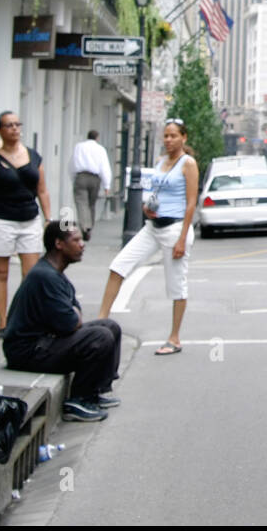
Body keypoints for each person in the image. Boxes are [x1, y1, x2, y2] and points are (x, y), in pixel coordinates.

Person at [3, 221, 122, 422]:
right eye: (76, 240)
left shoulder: (55, 275)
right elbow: (70, 323)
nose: (82, 244)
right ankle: (78, 400)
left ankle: (96, 391)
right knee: (99, 337)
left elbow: (74, 315)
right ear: (59, 244)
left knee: (110, 326)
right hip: (28, 351)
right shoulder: (45, 276)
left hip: (46, 341)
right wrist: (73, 315)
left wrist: (73, 315)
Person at [98, 119, 198, 356]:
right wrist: (146, 208)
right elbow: (155, 191)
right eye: (165, 136)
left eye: (173, 136)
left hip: (174, 229)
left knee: (176, 285)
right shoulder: (160, 161)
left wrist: (182, 238)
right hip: (152, 226)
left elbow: (192, 202)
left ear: (183, 138)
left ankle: (174, 337)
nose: (168, 140)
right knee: (118, 266)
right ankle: (101, 320)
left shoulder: (188, 163)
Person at [0, 111, 50, 338]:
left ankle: (25, 319)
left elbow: (42, 190)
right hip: (1, 221)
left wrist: (48, 219)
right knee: (1, 272)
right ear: (0, 130)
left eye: (17, 124)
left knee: (31, 274)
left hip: (29, 219)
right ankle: (3, 322)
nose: (15, 129)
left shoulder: (34, 156)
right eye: (9, 125)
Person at [69, 129, 112, 242]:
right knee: (91, 204)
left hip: (81, 176)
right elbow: (104, 167)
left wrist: (73, 177)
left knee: (81, 203)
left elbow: (73, 162)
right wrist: (107, 185)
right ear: (97, 137)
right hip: (95, 178)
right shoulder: (100, 149)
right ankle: (90, 226)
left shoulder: (79, 147)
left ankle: (84, 226)